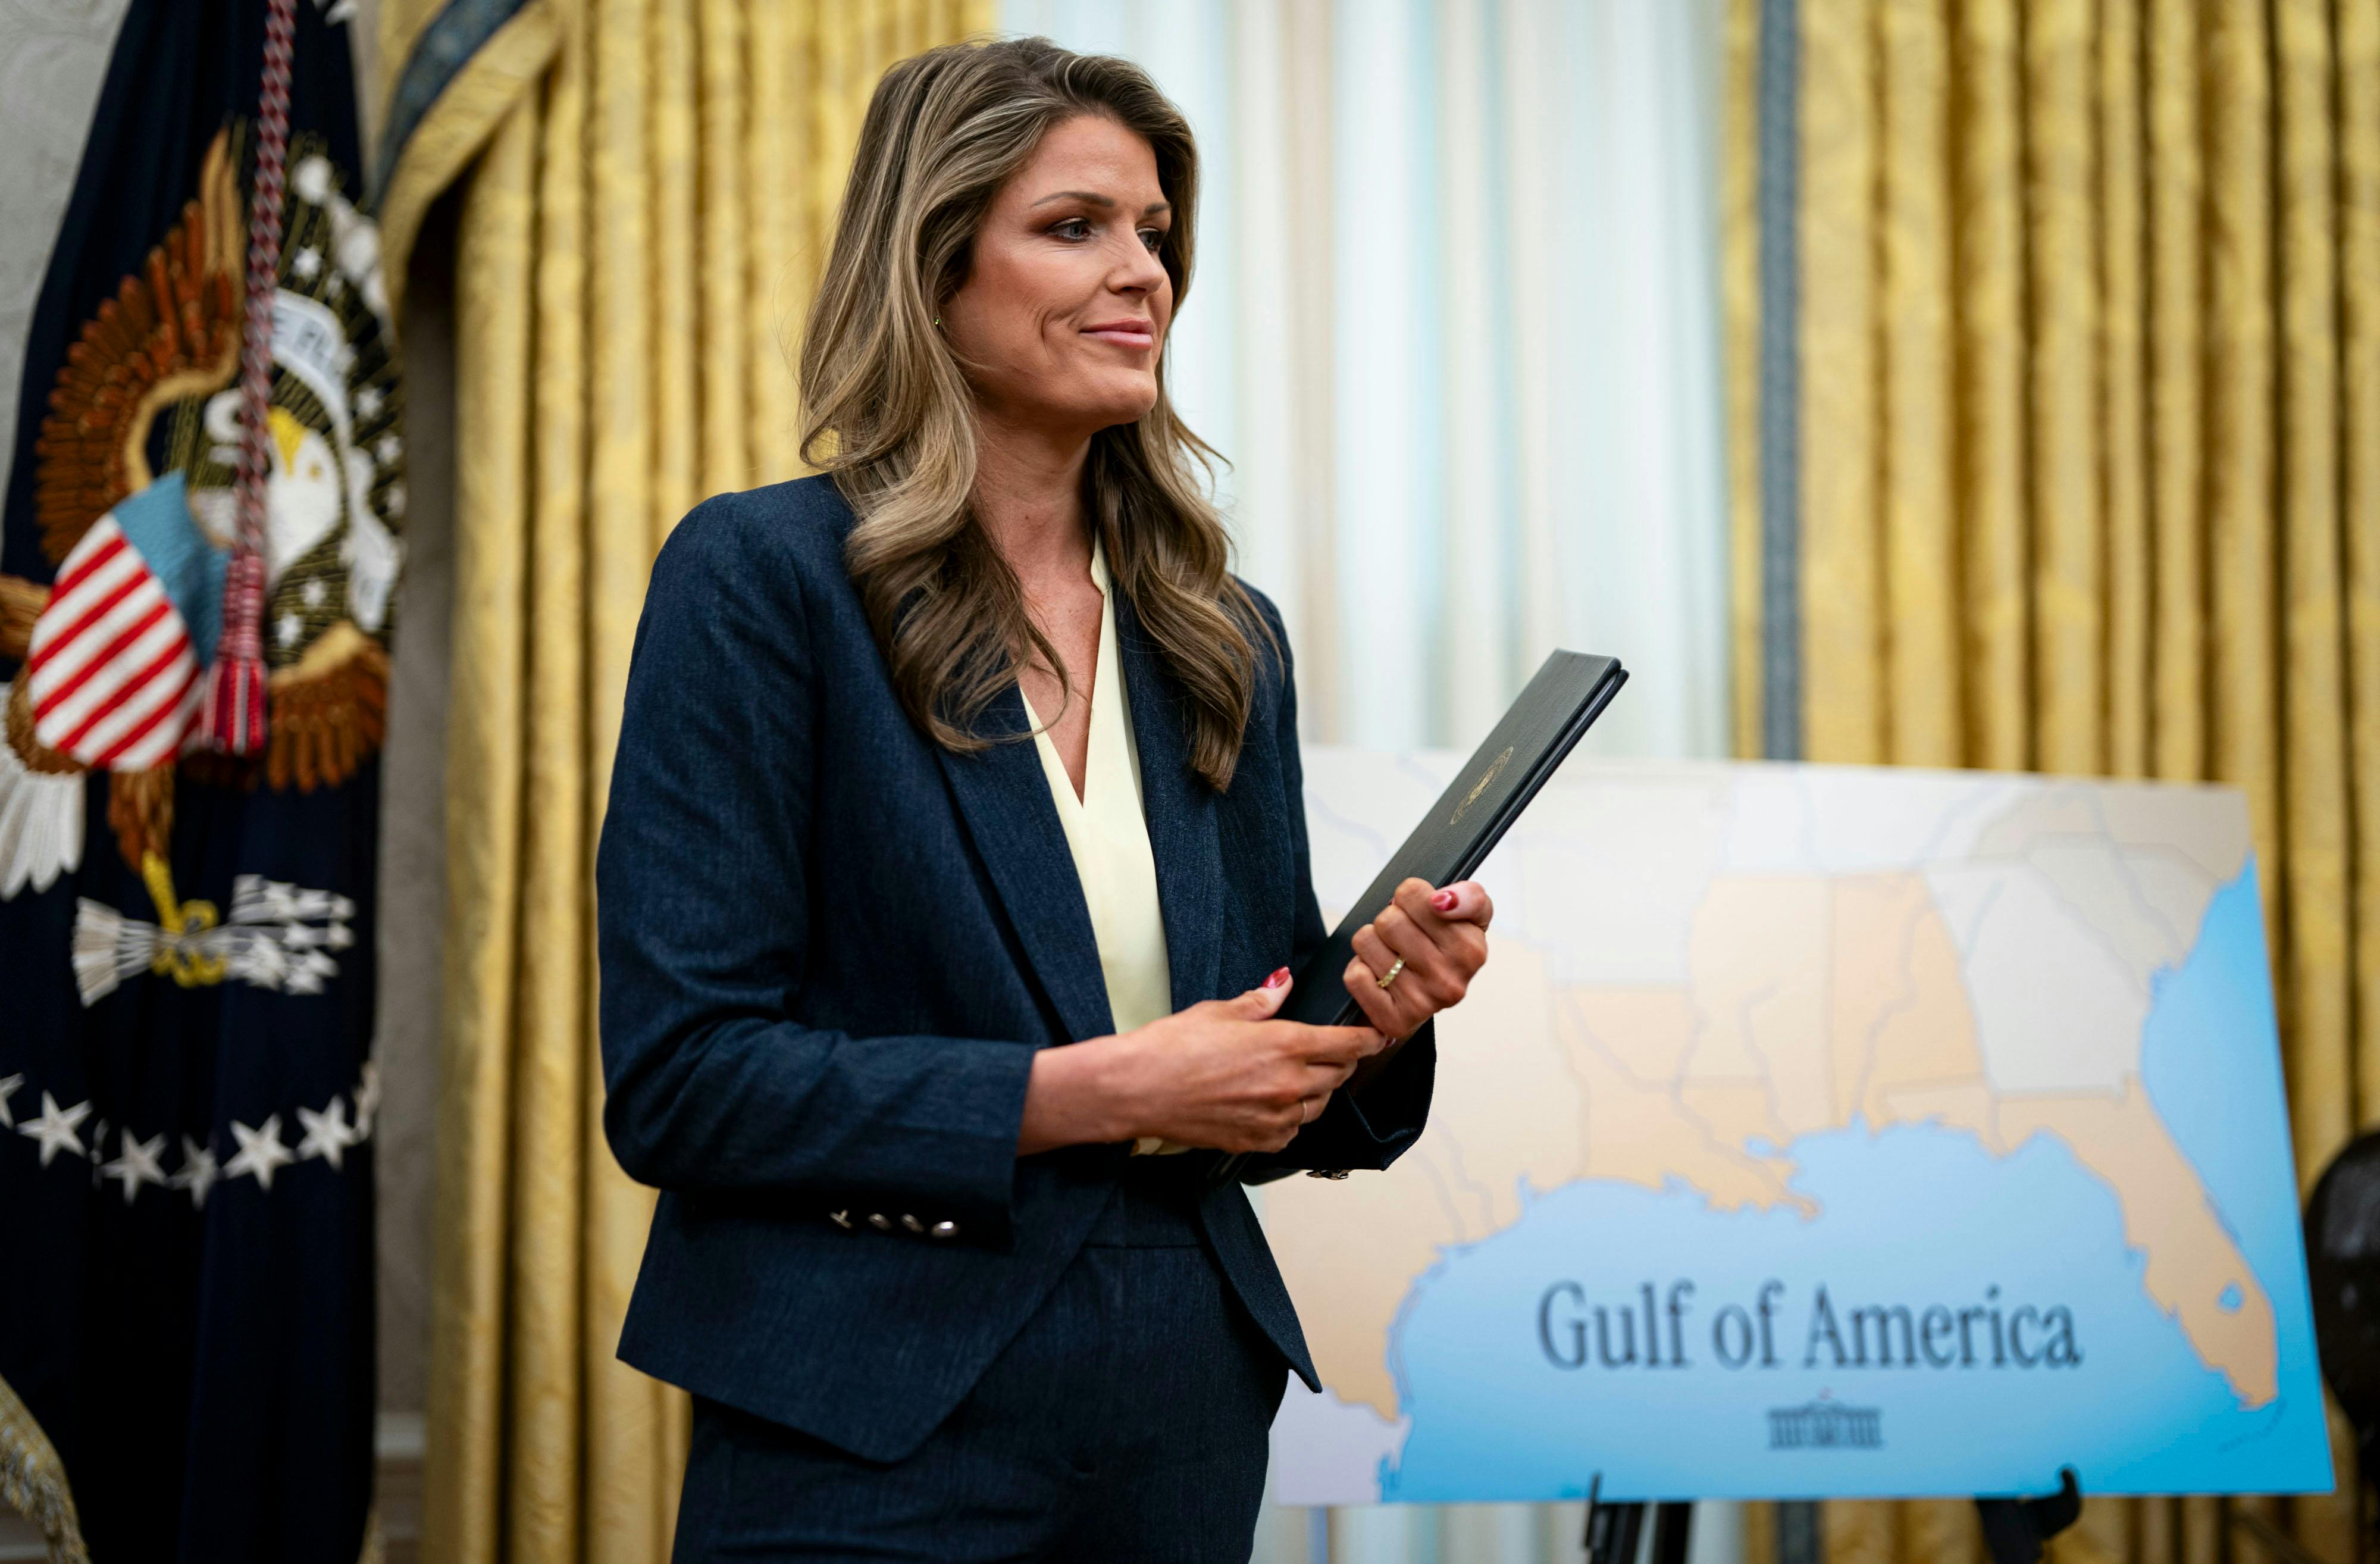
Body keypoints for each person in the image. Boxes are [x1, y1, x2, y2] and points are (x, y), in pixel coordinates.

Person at [595, 36, 1493, 1562]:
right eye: (1072, 226)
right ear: (934, 268)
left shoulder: (1221, 632)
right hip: (863, 1409)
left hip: (1177, 1409)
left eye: (1154, 233)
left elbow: (1249, 1077)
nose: (1140, 270)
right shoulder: (761, 583)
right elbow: (685, 1079)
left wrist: (1371, 1020)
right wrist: (1099, 1092)